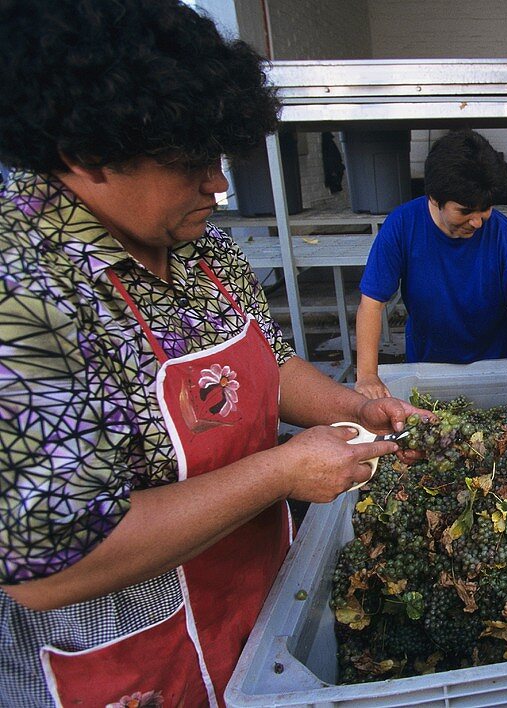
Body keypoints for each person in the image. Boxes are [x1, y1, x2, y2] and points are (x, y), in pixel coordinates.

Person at [0, 2, 432, 705]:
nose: (219, 185)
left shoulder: (196, 244)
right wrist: (282, 471)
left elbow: (266, 361)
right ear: (86, 153)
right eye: (191, 162)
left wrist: (357, 405)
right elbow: (53, 569)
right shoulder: (22, 291)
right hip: (130, 665)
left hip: (255, 610)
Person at [355, 129, 507, 409]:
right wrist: (367, 374)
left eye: (485, 208)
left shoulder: (506, 239)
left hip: (491, 368)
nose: (477, 221)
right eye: (465, 211)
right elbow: (372, 303)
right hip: (426, 366)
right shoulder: (402, 227)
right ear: (434, 198)